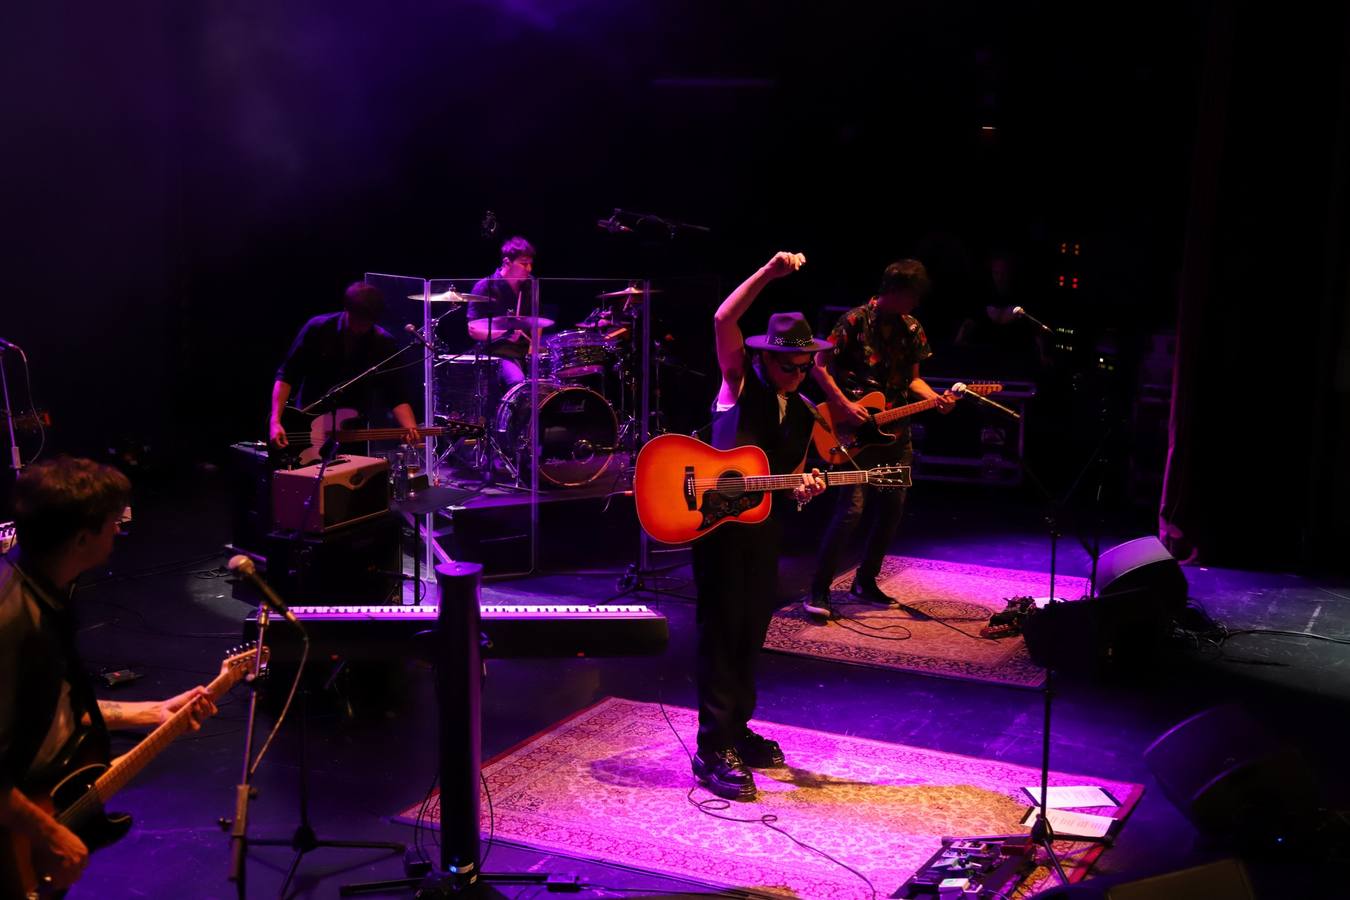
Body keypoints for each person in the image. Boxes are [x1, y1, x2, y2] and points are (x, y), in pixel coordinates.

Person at [0, 457, 217, 897]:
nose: (119, 531)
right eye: (112, 523)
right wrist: (49, 833)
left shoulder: (45, 586)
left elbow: (52, 706)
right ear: (82, 538)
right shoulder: (13, 622)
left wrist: (153, 711)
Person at [691, 251, 828, 801]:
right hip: (719, 528)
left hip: (762, 531)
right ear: (767, 358)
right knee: (722, 631)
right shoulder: (739, 383)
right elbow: (723, 319)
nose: (798, 374)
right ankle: (711, 746)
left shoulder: (804, 412)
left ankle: (737, 729)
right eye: (789, 366)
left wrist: (805, 487)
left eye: (805, 366)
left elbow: (790, 477)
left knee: (751, 631)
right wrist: (768, 274)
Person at [804, 259, 955, 620]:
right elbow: (817, 365)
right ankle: (819, 589)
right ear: (895, 291)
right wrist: (843, 404)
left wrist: (935, 399)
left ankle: (865, 581)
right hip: (853, 430)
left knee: (891, 510)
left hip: (895, 433)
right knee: (851, 511)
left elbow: (913, 380)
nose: (915, 303)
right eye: (911, 295)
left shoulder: (912, 327)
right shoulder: (853, 321)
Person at [268, 281, 420, 453]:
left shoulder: (383, 343)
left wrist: (410, 427)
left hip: (352, 432)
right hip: (307, 427)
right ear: (347, 309)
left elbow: (396, 394)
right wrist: (275, 421)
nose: (362, 328)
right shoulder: (318, 328)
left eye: (368, 322)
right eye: (358, 321)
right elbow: (287, 375)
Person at [466, 235, 537, 388]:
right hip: (497, 352)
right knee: (517, 382)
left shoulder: (529, 285)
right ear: (507, 262)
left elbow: (537, 321)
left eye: (530, 264)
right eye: (524, 264)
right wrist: (505, 333)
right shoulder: (485, 287)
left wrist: (534, 347)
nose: (529, 269)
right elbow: (473, 330)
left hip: (524, 350)